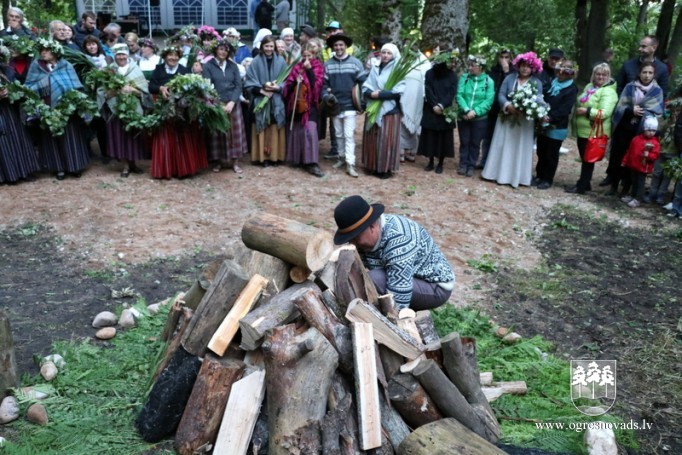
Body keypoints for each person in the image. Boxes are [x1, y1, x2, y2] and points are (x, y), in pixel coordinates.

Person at [333, 195, 455, 310]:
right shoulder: (367, 239)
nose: (353, 243)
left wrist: (392, 322)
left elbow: (400, 291)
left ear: (372, 226)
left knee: (375, 279)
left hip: (435, 286)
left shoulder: (399, 240)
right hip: (411, 277)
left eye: (355, 236)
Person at [25, 39, 90, 180]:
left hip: (67, 108)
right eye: (41, 50)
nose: (43, 53)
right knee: (51, 138)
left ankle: (74, 166)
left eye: (46, 50)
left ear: (55, 52)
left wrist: (73, 99)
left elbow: (75, 84)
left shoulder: (66, 65)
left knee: (71, 137)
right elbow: (29, 86)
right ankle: (58, 168)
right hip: (47, 108)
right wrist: (46, 82)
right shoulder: (36, 66)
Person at [481, 51, 544, 188]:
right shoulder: (509, 78)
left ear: (533, 68)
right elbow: (501, 94)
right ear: (518, 65)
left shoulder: (537, 82)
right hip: (507, 118)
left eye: (528, 66)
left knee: (519, 147)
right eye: (522, 65)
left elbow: (539, 99)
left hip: (524, 122)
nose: (525, 68)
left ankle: (517, 176)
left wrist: (527, 109)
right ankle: (497, 173)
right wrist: (508, 105)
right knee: (503, 144)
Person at [149, 46, 208, 179]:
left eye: (176, 55)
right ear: (165, 56)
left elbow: (192, 88)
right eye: (170, 55)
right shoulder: (158, 70)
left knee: (183, 138)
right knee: (166, 138)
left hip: (182, 111)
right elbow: (151, 86)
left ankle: (184, 169)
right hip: (164, 110)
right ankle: (166, 169)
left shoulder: (185, 70)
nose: (173, 58)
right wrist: (161, 88)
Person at [605, 62, 664, 196]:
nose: (647, 75)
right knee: (618, 157)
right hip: (624, 128)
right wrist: (630, 110)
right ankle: (613, 186)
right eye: (644, 72)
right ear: (639, 73)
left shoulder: (657, 91)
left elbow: (658, 111)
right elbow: (620, 106)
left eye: (650, 73)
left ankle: (626, 188)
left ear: (654, 75)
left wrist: (644, 111)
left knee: (634, 158)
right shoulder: (630, 87)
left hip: (641, 131)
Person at [565, 62, 618, 195]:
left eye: (604, 74)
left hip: (593, 131)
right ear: (593, 75)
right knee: (584, 158)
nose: (601, 77)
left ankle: (582, 186)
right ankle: (585, 183)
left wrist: (587, 111)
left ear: (608, 76)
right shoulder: (590, 87)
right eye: (598, 74)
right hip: (583, 130)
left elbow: (605, 113)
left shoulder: (608, 92)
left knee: (588, 160)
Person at [100, 43, 150, 177]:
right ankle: (125, 165)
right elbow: (101, 91)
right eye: (118, 55)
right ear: (114, 56)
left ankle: (133, 162)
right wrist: (110, 92)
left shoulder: (135, 68)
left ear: (127, 55)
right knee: (120, 136)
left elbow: (144, 91)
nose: (121, 57)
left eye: (123, 54)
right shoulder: (108, 71)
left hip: (133, 108)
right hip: (116, 109)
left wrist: (134, 90)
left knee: (133, 135)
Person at [202, 40, 248, 173]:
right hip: (217, 104)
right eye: (221, 49)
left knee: (235, 133)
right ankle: (219, 162)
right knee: (218, 133)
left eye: (226, 50)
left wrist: (232, 102)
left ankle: (235, 162)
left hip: (233, 104)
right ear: (215, 50)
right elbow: (207, 86)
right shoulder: (208, 66)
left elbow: (238, 85)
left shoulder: (233, 66)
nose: (223, 52)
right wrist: (217, 103)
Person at [322, 33, 364, 177]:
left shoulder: (356, 63)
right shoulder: (327, 65)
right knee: (338, 134)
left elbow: (362, 84)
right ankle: (340, 157)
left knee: (348, 135)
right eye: (336, 45)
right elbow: (323, 85)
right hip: (335, 105)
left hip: (351, 105)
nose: (338, 47)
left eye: (341, 45)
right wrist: (326, 96)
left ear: (346, 46)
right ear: (332, 47)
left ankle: (350, 164)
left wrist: (361, 103)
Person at [362, 43, 405, 179]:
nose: (385, 55)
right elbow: (367, 85)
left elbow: (398, 90)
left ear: (394, 55)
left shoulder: (398, 70)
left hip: (389, 110)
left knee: (386, 139)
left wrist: (380, 95)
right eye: (383, 52)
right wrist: (370, 94)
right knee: (372, 136)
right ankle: (372, 165)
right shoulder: (375, 68)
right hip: (373, 106)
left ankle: (384, 168)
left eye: (389, 53)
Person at [282, 42, 325, 177]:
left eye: (309, 56)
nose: (306, 59)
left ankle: (311, 163)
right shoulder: (296, 67)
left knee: (310, 131)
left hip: (310, 105)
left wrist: (310, 70)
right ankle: (298, 159)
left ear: (314, 55)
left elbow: (317, 86)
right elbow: (287, 87)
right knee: (296, 131)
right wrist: (296, 81)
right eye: (304, 56)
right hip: (295, 103)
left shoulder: (318, 67)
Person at [534, 60, 578, 189]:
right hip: (543, 122)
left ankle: (547, 179)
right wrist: (540, 113)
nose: (562, 73)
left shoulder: (571, 88)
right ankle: (539, 175)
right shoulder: (551, 84)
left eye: (566, 70)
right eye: (560, 69)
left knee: (551, 153)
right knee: (541, 150)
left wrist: (551, 117)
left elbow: (565, 109)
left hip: (557, 125)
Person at [244, 35, 287, 167]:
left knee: (274, 126)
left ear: (275, 47)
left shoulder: (281, 61)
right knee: (262, 126)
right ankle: (262, 157)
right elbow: (249, 81)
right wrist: (262, 91)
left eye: (271, 46)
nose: (269, 49)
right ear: (262, 46)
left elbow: (287, 80)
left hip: (276, 100)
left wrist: (278, 87)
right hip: (260, 99)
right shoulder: (255, 61)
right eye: (266, 46)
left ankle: (275, 157)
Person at [0, 46, 39, 184]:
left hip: (11, 110)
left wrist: (15, 92)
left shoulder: (6, 70)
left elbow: (15, 85)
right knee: (3, 142)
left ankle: (24, 171)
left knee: (19, 138)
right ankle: (9, 175)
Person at [417, 46, 457, 173]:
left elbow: (451, 93)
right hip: (430, 108)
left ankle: (440, 163)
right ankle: (430, 161)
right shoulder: (429, 73)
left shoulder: (452, 75)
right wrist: (434, 104)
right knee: (430, 136)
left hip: (445, 111)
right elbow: (428, 89)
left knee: (443, 137)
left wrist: (441, 105)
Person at [456, 55, 495, 177]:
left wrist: (475, 112)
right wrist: (467, 110)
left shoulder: (489, 81)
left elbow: (488, 101)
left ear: (480, 67)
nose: (470, 68)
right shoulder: (465, 78)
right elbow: (459, 95)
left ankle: (471, 165)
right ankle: (463, 164)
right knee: (464, 141)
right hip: (464, 116)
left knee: (475, 142)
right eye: (469, 65)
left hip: (480, 119)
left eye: (473, 65)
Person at [480, 49, 516, 169]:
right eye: (502, 57)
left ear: (511, 58)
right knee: (487, 136)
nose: (504, 60)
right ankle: (484, 161)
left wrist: (506, 71)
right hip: (491, 108)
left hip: (506, 109)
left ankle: (498, 164)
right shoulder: (492, 70)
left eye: (507, 57)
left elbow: (512, 89)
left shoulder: (514, 72)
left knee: (502, 137)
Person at [620, 116, 660, 208]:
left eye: (653, 131)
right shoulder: (636, 139)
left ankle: (638, 199)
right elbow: (629, 151)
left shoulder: (655, 143)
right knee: (634, 181)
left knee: (640, 183)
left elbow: (655, 156)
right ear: (644, 129)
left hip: (643, 167)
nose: (651, 133)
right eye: (649, 130)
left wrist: (648, 155)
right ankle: (632, 195)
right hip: (633, 165)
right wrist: (625, 161)